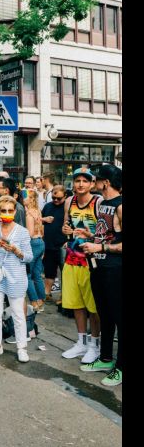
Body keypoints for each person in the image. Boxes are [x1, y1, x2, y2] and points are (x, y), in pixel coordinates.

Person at [80, 164, 122, 386]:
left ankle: (121, 368)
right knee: (104, 315)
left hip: (116, 270)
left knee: (118, 317)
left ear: (106, 182)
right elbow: (107, 234)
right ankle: (105, 358)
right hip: (99, 268)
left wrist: (101, 248)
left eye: (96, 180)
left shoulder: (121, 206)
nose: (94, 183)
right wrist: (91, 236)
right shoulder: (104, 204)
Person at [0, 196, 33, 363]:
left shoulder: (23, 231)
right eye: (3, 210)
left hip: (16, 277)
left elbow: (29, 257)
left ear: (15, 211)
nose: (7, 213)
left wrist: (17, 251)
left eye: (10, 210)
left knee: (18, 313)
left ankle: (22, 347)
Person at [60, 168, 102, 363]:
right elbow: (65, 228)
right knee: (76, 304)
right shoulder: (69, 201)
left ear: (92, 184)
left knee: (92, 306)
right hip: (72, 258)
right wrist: (66, 230)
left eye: (85, 181)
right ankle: (81, 342)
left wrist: (89, 236)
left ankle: (95, 345)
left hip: (91, 261)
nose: (81, 184)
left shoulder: (99, 202)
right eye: (77, 180)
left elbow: (106, 236)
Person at [41, 185, 67, 304]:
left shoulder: (68, 207)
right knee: (49, 271)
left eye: (59, 198)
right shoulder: (48, 206)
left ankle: (64, 296)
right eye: (53, 198)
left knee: (65, 272)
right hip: (49, 244)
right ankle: (47, 293)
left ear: (65, 196)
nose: (56, 200)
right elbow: (39, 220)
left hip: (63, 244)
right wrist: (44, 219)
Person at [24, 189, 46, 313]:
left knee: (27, 275)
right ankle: (41, 301)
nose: (23, 198)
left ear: (30, 199)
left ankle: (34, 302)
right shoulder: (37, 211)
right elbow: (42, 230)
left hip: (32, 243)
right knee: (37, 275)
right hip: (40, 242)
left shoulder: (29, 215)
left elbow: (30, 233)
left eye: (25, 196)